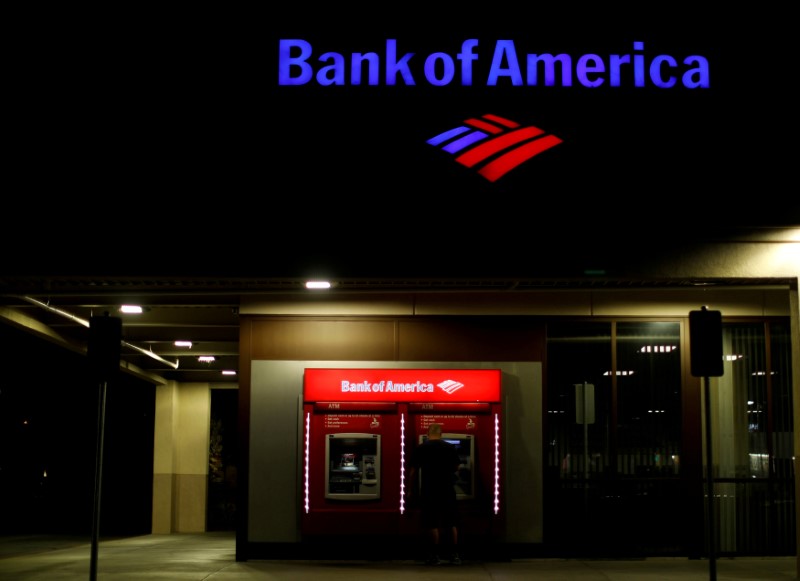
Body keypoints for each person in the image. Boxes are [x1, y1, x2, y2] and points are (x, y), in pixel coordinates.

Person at [408, 423, 462, 565]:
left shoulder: (422, 448)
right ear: (441, 434)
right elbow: (457, 468)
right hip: (447, 490)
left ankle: (434, 556)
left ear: (427, 433)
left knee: (431, 523)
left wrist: (409, 490)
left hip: (429, 490)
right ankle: (454, 555)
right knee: (451, 523)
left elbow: (413, 472)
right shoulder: (450, 447)